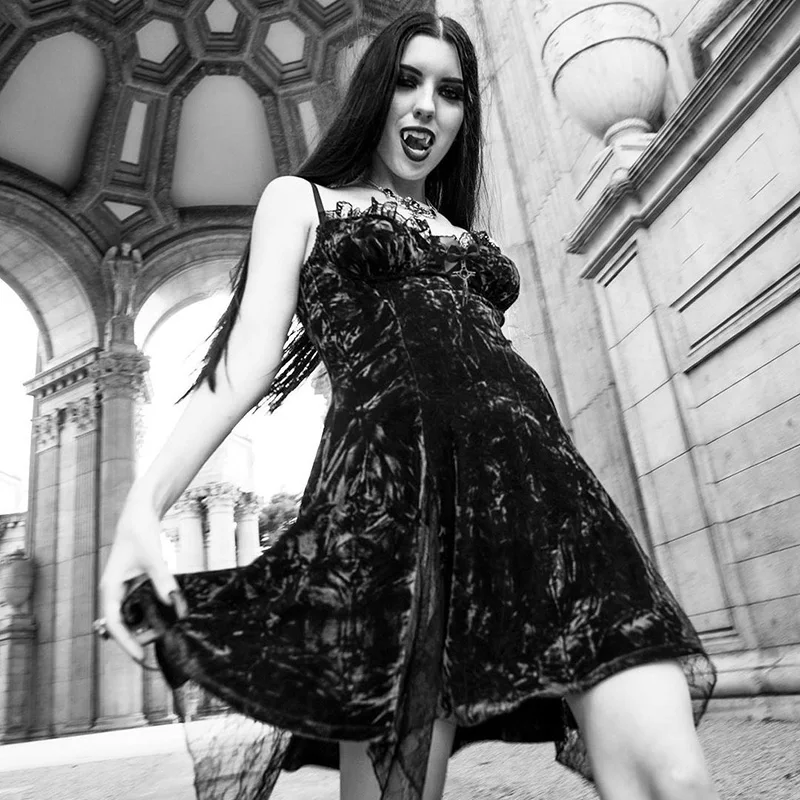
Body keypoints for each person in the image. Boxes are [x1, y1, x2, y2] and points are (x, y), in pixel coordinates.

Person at [97, 11, 719, 800]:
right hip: (392, 515)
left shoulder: (461, 232)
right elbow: (243, 367)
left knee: (674, 778)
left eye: (451, 92)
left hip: (544, 494)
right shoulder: (300, 202)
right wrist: (142, 507)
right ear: (373, 95)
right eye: (407, 81)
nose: (428, 104)